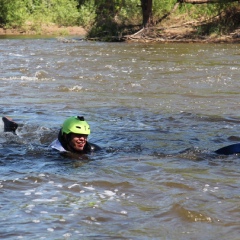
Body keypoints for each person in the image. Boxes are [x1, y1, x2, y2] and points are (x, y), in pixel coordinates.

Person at [2, 116, 101, 154]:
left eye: (85, 136)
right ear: (66, 136)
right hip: (47, 146)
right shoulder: (55, 152)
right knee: (14, 142)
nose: (82, 139)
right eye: (78, 135)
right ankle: (10, 128)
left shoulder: (91, 147)